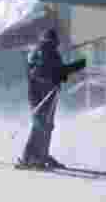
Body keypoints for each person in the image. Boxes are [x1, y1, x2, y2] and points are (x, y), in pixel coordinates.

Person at [17, 29, 86, 169]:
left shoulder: (45, 51)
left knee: (46, 126)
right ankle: (28, 158)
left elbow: (57, 70)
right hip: (41, 95)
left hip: (47, 94)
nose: (55, 45)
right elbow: (44, 72)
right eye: (54, 42)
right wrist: (71, 69)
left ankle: (42, 155)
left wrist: (64, 71)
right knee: (40, 126)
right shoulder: (44, 51)